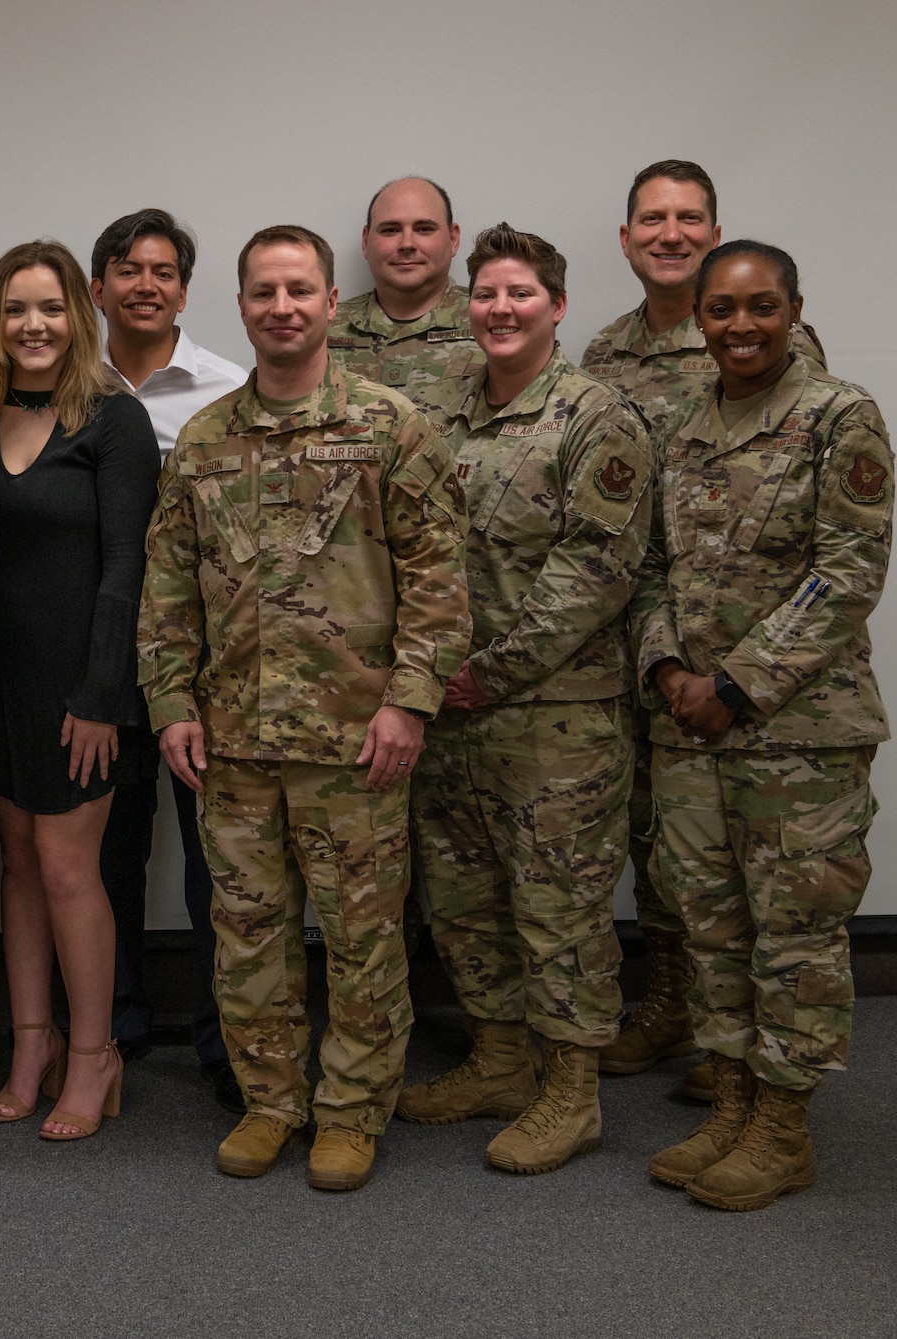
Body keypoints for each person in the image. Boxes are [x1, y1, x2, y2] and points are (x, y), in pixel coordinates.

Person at [139, 225, 469, 1192]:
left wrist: (409, 705)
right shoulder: (203, 440)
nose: (281, 307)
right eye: (262, 292)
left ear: (331, 303)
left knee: (363, 938)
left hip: (355, 743)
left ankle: (352, 1112)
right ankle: (271, 1101)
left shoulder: (392, 425)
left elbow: (441, 581)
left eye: (299, 290)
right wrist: (170, 702)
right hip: (233, 740)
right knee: (248, 938)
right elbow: (168, 586)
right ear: (239, 307)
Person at [634, 241, 890, 1211]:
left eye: (760, 306)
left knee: (791, 935)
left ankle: (782, 1131)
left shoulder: (837, 416)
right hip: (690, 728)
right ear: (695, 317)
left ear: (792, 308)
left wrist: (733, 685)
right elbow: (653, 565)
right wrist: (663, 668)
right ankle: (731, 1104)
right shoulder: (680, 424)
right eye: (720, 309)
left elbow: (846, 572)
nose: (740, 325)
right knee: (710, 927)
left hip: (795, 734)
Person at [396, 224, 653, 1174]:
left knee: (559, 904)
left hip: (555, 716)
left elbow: (598, 570)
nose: (500, 310)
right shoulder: (444, 405)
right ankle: (500, 1060)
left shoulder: (596, 415)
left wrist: (487, 672)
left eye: (520, 294)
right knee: (463, 898)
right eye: (486, 294)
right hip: (450, 709)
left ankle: (571, 1093)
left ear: (557, 305)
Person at [580, 161, 828, 1092]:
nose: (671, 233)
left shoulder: (767, 339)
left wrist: (738, 674)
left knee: (761, 863)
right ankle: (678, 1004)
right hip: (647, 634)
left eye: (690, 219)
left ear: (714, 231)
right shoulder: (602, 355)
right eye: (653, 218)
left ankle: (758, 1052)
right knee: (661, 833)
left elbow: (811, 517)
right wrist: (662, 658)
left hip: (759, 655)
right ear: (627, 237)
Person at [0, 240, 157, 1139]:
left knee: (73, 870)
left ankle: (93, 1052)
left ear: (80, 314)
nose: (33, 326)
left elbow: (129, 567)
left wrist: (102, 693)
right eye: (14, 310)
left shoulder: (112, 420)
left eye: (50, 308)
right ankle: (29, 1043)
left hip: (80, 688)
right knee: (22, 867)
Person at [86, 207, 247, 1103]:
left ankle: (227, 1037)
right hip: (103, 655)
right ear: (99, 285)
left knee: (215, 855)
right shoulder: (65, 384)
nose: (145, 284)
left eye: (163, 271)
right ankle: (112, 1020)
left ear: (184, 289)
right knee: (106, 852)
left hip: (202, 659)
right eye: (127, 268)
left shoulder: (230, 388)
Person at [327, 177, 485, 395]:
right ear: (366, 241)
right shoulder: (323, 327)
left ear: (453, 239)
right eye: (390, 230)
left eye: (424, 229)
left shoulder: (491, 320)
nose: (407, 244)